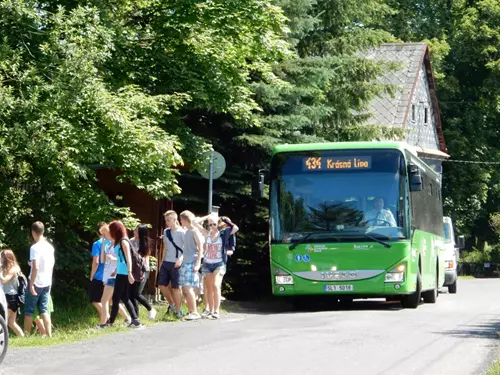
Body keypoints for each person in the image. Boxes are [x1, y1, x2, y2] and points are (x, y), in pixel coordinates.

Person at [194, 214, 239, 320]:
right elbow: (194, 223)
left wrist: (226, 221)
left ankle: (216, 310)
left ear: (218, 225)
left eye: (214, 224)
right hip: (207, 264)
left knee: (215, 285)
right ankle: (209, 310)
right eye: (210, 225)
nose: (212, 227)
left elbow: (235, 228)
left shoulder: (223, 233)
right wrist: (207, 217)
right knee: (209, 289)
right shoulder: (207, 234)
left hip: (219, 263)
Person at [107, 220, 142, 328]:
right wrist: (116, 270)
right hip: (121, 272)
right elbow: (120, 259)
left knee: (117, 297)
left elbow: (128, 258)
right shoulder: (119, 241)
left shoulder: (123, 241)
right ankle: (135, 320)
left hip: (125, 273)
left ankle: (111, 322)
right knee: (123, 297)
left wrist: (130, 273)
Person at [24, 221, 55, 337]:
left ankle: (26, 337)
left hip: (36, 282)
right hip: (47, 282)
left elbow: (36, 267)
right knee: (44, 310)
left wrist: (31, 284)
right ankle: (49, 335)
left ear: (33, 232)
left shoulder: (34, 248)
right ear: (43, 231)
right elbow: (50, 264)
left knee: (29, 311)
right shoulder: (50, 247)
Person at [98, 223, 130, 329]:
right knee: (112, 300)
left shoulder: (118, 245)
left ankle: (104, 323)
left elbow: (122, 260)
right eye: (102, 235)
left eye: (105, 234)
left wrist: (113, 259)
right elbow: (102, 260)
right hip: (107, 274)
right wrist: (103, 243)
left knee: (104, 300)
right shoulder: (109, 245)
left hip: (114, 275)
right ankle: (127, 318)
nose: (104, 236)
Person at [159, 210, 185, 319]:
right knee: (161, 285)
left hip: (176, 263)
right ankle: (172, 305)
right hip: (166, 262)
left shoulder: (182, 232)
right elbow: (165, 247)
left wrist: (180, 259)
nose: (167, 222)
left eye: (169, 220)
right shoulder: (166, 232)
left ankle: (178, 311)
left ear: (175, 220)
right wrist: (161, 261)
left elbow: (186, 249)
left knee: (175, 287)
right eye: (166, 220)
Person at [178, 211, 203, 321]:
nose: (180, 221)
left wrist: (197, 264)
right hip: (185, 262)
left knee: (188, 288)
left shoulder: (194, 231)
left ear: (185, 219)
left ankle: (194, 312)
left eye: (181, 219)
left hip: (192, 262)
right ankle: (190, 311)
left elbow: (201, 248)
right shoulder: (187, 231)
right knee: (185, 288)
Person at [129, 224, 157, 320]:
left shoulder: (145, 243)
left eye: (136, 231)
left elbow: (143, 258)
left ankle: (150, 309)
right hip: (133, 271)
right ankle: (135, 318)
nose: (134, 232)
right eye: (134, 230)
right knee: (131, 295)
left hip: (143, 270)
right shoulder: (130, 241)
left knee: (136, 294)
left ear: (141, 233)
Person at [0, 249, 24, 337]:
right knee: (11, 323)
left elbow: (4, 281)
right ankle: (23, 338)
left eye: (1, 257)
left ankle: (4, 339)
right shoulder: (6, 268)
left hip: (10, 297)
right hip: (10, 297)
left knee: (3, 320)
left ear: (6, 258)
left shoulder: (13, 269)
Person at [89, 222, 109, 316]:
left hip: (99, 276)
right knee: (107, 300)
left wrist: (92, 275)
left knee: (95, 300)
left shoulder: (97, 244)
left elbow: (96, 261)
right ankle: (127, 317)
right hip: (110, 275)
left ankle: (107, 317)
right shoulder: (112, 243)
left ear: (98, 232)